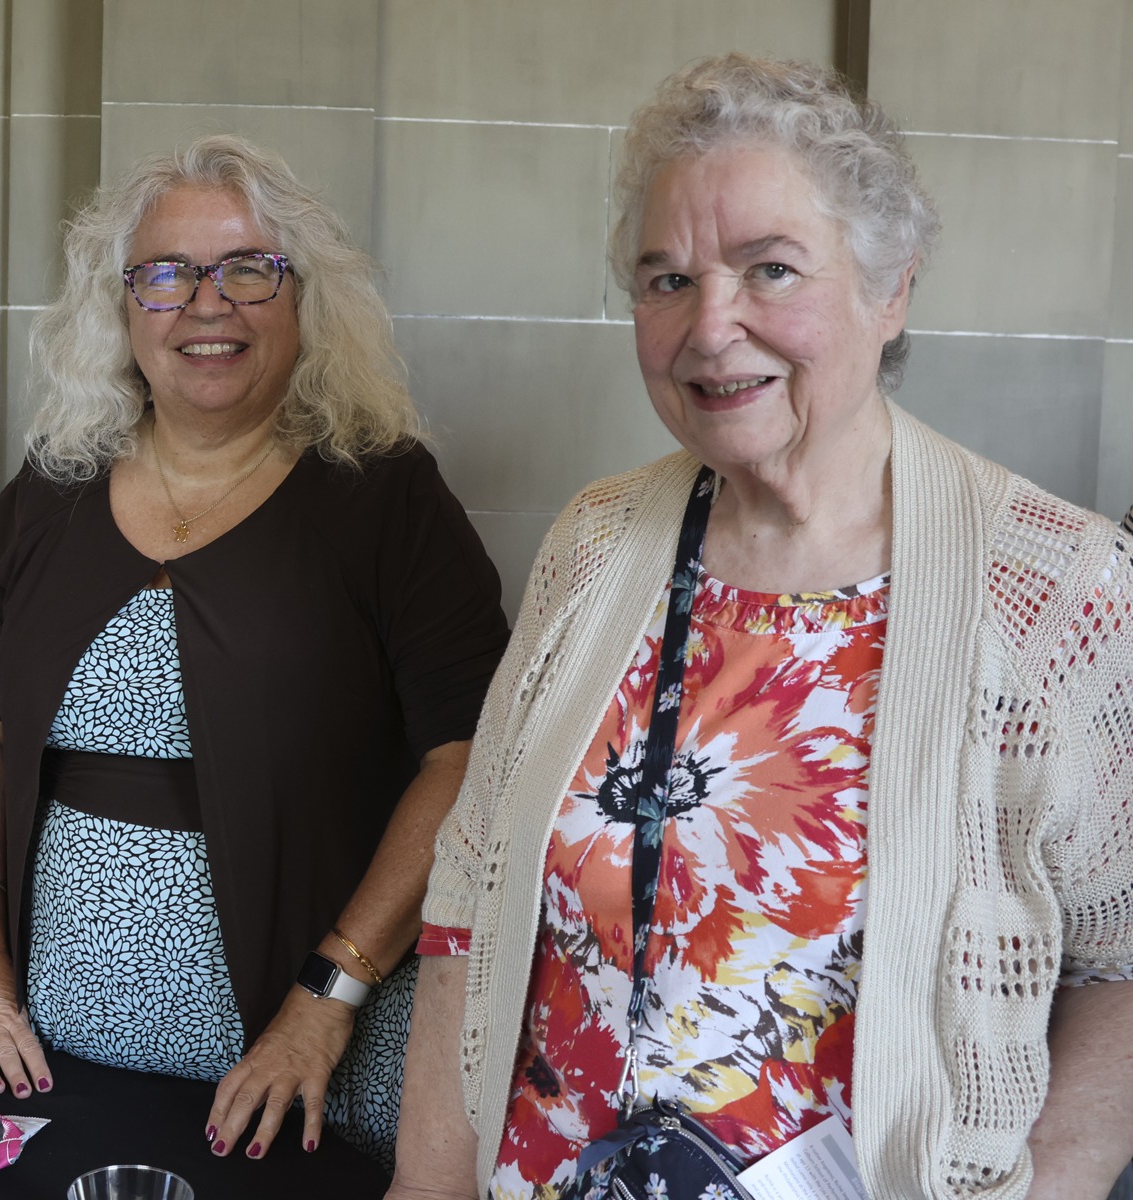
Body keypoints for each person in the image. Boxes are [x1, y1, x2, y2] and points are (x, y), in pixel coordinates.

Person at [389, 53, 1133, 1200]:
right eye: (665, 279)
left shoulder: (1057, 586)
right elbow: (469, 899)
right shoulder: (592, 546)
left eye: (769, 269)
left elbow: (1121, 964)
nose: (711, 326)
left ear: (891, 290)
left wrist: (1058, 1188)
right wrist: (424, 1186)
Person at [0, 134, 508, 1166]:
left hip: (305, 1062)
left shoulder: (385, 498)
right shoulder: (53, 491)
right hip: (61, 1050)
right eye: (166, 273)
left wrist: (328, 995)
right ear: (121, 306)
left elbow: (468, 758)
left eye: (250, 269)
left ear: (304, 300)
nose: (209, 303)